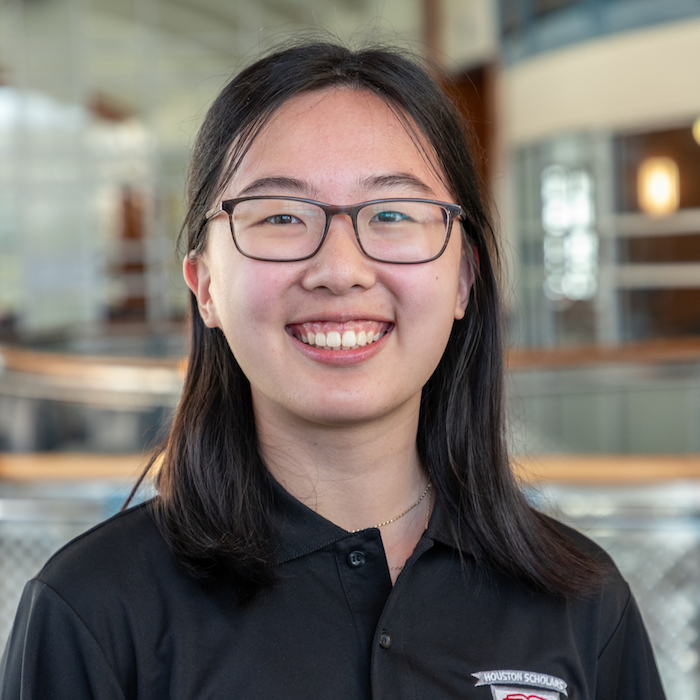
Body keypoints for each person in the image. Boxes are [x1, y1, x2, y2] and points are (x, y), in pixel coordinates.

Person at [0, 41, 666, 699]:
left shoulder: (584, 608)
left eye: (392, 214)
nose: (341, 270)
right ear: (204, 286)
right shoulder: (92, 614)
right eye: (282, 216)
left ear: (464, 278)